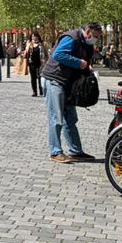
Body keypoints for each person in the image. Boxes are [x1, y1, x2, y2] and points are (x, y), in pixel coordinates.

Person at [41, 22, 102, 163]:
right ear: (87, 32)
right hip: (54, 79)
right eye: (95, 36)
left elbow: (84, 60)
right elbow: (58, 55)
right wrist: (78, 62)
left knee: (70, 118)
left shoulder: (86, 43)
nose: (96, 39)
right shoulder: (72, 37)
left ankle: (76, 151)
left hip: (67, 82)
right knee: (56, 117)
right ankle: (55, 152)